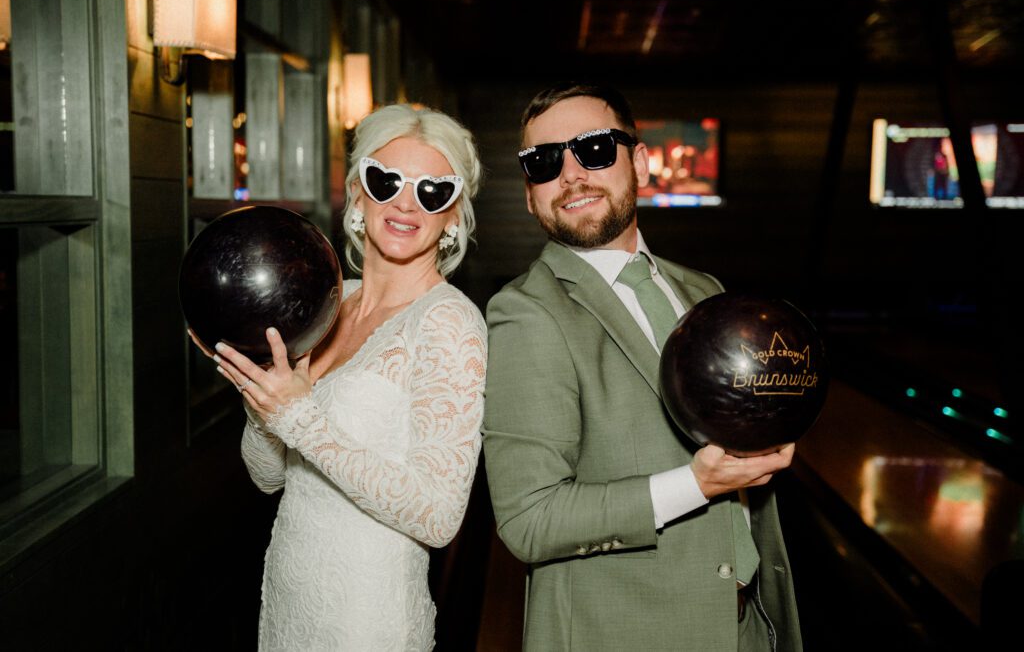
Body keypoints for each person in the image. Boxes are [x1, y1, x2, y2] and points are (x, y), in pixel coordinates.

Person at [482, 83, 802, 651]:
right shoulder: (525, 313)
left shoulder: (704, 291)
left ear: (642, 162)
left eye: (596, 150)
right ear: (529, 195)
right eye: (545, 162)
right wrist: (695, 484)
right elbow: (529, 520)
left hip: (746, 629)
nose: (572, 174)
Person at [195, 104, 487, 650]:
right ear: (357, 193)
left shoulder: (450, 322)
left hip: (366, 618)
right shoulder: (330, 302)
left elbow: (439, 514)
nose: (406, 203)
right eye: (387, 181)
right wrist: (262, 403)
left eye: (432, 191)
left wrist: (296, 416)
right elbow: (269, 477)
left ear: (453, 215)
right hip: (288, 598)